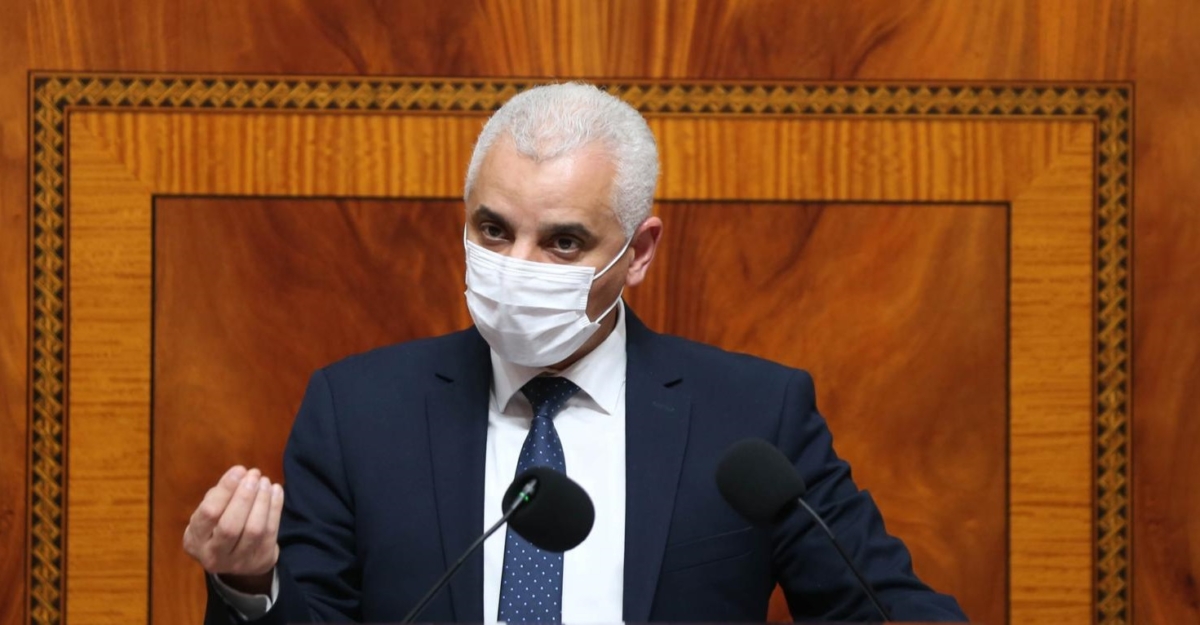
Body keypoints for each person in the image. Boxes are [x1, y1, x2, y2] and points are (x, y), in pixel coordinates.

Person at [184, 82, 967, 623]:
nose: (517, 265)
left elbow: (883, 604)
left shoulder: (755, 418)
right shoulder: (357, 412)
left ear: (639, 252)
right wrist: (251, 581)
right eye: (494, 230)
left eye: (563, 241)